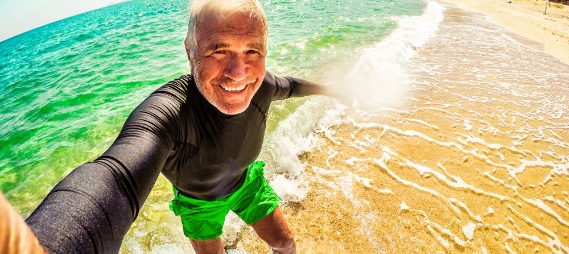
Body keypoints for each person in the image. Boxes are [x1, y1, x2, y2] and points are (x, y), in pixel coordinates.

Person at [24, 0, 336, 253]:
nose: (239, 72)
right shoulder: (170, 111)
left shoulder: (264, 86)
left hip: (246, 185)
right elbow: (115, 178)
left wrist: (333, 89)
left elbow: (293, 85)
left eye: (252, 51)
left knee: (286, 244)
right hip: (197, 204)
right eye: (219, 50)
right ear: (190, 51)